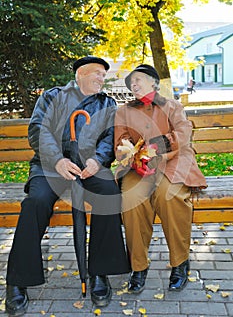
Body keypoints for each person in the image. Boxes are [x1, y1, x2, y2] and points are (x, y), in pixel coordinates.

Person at [5, 56, 129, 316]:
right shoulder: (53, 96)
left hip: (88, 168)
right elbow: (38, 129)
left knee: (109, 194)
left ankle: (99, 273)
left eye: (104, 75)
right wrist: (58, 160)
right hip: (50, 167)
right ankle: (18, 280)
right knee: (35, 202)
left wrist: (98, 160)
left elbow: (109, 137)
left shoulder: (107, 103)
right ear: (81, 74)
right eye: (97, 73)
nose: (102, 79)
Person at [114, 64, 207, 294]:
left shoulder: (172, 106)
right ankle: (138, 267)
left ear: (154, 83)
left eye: (139, 80)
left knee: (168, 196)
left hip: (172, 162)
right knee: (132, 199)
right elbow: (121, 142)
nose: (134, 85)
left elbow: (183, 134)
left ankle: (180, 263)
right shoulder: (123, 111)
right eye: (131, 82)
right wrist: (135, 158)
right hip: (139, 167)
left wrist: (155, 147)